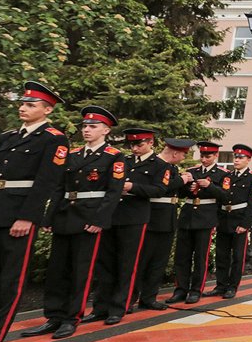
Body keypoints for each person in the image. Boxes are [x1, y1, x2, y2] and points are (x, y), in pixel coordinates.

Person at [0, 82, 69, 342]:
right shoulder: (7, 137)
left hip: (18, 217)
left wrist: (28, 217)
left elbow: (46, 183)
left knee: (10, 280)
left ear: (47, 110)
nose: (23, 107)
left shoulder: (54, 139)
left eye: (31, 104)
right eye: (22, 103)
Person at [21, 106, 125, 341]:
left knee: (81, 270)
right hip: (65, 217)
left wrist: (100, 220)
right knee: (57, 270)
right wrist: (48, 216)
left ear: (105, 130)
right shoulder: (74, 154)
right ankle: (54, 316)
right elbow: (59, 187)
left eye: (93, 126)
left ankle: (71, 318)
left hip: (88, 220)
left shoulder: (113, 156)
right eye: (84, 126)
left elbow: (113, 192)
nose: (86, 130)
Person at [87, 127, 173, 324]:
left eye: (139, 144)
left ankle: (119, 307)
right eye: (132, 144)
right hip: (113, 216)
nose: (134, 148)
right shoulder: (123, 161)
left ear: (151, 143)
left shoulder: (160, 166)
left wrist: (132, 187)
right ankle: (100, 307)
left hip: (135, 217)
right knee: (105, 264)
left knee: (127, 263)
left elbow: (159, 189)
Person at [133, 137, 194, 311]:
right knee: (143, 260)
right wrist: (181, 180)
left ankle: (149, 297)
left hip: (167, 219)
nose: (183, 158)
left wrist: (188, 185)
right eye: (182, 155)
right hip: (152, 217)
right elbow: (160, 188)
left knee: (158, 261)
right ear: (175, 153)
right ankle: (131, 297)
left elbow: (174, 191)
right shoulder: (154, 164)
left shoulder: (172, 168)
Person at [170, 141, 230, 305]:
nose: (204, 159)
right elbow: (180, 193)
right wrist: (185, 185)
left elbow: (225, 196)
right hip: (187, 216)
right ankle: (180, 289)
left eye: (208, 156)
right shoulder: (191, 171)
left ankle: (196, 290)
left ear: (216, 156)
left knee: (200, 257)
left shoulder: (222, 174)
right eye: (202, 156)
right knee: (182, 256)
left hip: (206, 217)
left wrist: (209, 186)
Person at [208, 145, 252, 299]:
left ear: (248, 159)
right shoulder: (228, 176)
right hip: (224, 219)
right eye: (235, 157)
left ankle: (232, 287)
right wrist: (216, 219)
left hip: (239, 220)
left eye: (241, 157)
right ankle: (221, 285)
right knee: (221, 255)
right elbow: (220, 199)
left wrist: (245, 224)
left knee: (237, 256)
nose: (236, 160)